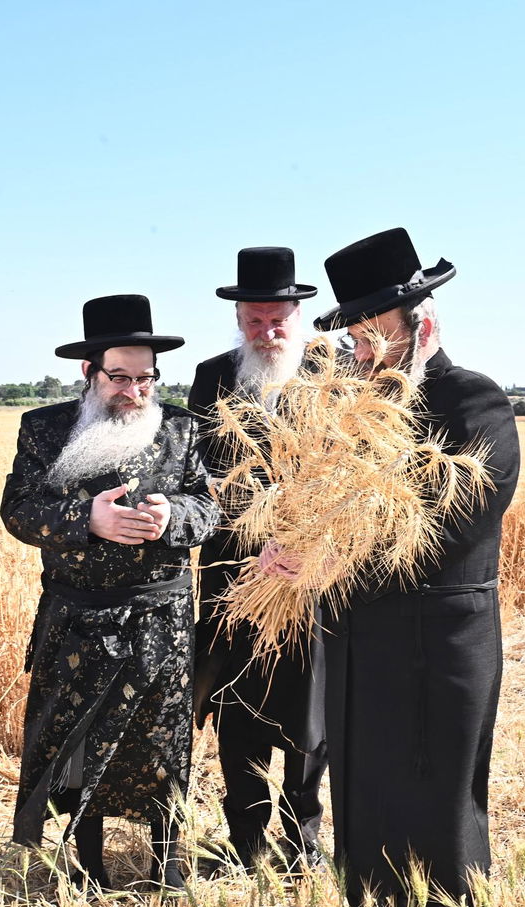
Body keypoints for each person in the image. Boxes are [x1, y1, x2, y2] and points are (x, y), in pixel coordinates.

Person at [304, 228, 520, 907]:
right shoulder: (349, 410)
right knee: (364, 815)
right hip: (356, 650)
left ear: (421, 325)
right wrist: (292, 546)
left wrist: (338, 557)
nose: (363, 356)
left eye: (375, 338)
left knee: (437, 823)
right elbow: (316, 500)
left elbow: (453, 520)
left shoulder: (472, 401)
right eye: (355, 343)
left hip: (439, 653)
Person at [0, 294, 220, 892]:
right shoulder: (44, 429)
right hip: (77, 618)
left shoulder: (182, 428)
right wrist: (85, 520)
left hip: (162, 619)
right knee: (79, 744)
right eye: (119, 377)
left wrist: (171, 517)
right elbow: (18, 510)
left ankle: (169, 867)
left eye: (145, 378)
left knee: (163, 744)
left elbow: (208, 507)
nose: (134, 391)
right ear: (89, 373)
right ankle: (85, 865)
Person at [188, 246, 328, 871]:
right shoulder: (211, 376)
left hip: (311, 574)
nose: (267, 333)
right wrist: (252, 543)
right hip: (233, 571)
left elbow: (352, 476)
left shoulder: (336, 374)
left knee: (308, 704)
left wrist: (306, 546)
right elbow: (200, 477)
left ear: (299, 315)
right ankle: (244, 840)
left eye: (279, 320)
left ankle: (304, 840)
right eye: (255, 321)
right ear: (238, 320)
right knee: (237, 702)